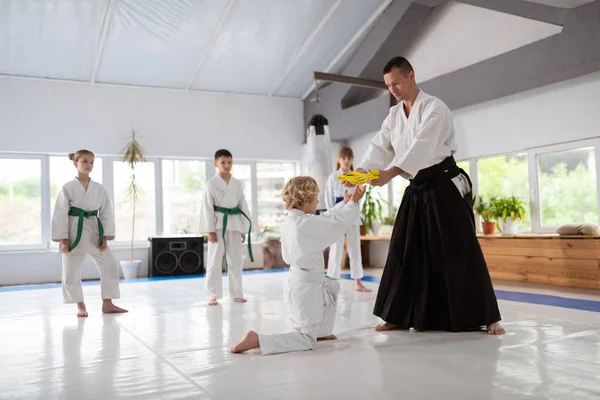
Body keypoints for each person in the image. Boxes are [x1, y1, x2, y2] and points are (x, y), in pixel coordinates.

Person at [345, 57, 504, 335]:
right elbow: (379, 147)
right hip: (417, 186)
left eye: (396, 82)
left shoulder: (435, 108)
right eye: (388, 85)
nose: (392, 89)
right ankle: (397, 315)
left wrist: (390, 174)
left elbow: (423, 147)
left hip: (444, 183)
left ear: (411, 76)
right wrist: (359, 174)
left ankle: (488, 316)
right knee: (404, 249)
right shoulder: (394, 116)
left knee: (459, 248)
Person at [230, 176, 366, 355]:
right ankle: (258, 340)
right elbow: (334, 224)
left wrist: (344, 204)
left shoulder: (294, 220)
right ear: (306, 198)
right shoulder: (305, 225)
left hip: (300, 284)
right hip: (306, 289)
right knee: (305, 339)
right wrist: (352, 204)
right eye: (316, 197)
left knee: (324, 306)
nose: (318, 201)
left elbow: (325, 219)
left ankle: (322, 332)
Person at [51, 149, 128, 317]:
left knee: (109, 264)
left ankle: (107, 303)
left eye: (91, 162)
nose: (89, 165)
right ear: (75, 163)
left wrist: (105, 236)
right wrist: (63, 239)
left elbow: (106, 212)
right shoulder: (68, 187)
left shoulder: (99, 188)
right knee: (71, 269)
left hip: (94, 230)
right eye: (84, 161)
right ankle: (80, 305)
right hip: (74, 231)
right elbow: (60, 213)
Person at [199, 149, 253, 306]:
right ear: (216, 164)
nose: (227, 165)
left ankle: (236, 293)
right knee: (214, 260)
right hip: (217, 225)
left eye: (229, 162)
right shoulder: (211, 183)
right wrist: (209, 230)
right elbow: (207, 207)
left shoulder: (237, 184)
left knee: (235, 260)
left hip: (235, 223)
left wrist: (243, 228)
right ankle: (212, 294)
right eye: (223, 162)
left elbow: (242, 204)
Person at [324, 147, 371, 292]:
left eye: (349, 158)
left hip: (353, 214)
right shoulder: (333, 177)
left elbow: (359, 196)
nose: (346, 161)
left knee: (355, 248)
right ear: (339, 160)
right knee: (336, 248)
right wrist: (332, 215)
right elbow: (328, 199)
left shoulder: (357, 176)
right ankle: (332, 280)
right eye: (344, 158)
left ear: (352, 160)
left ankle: (358, 281)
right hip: (338, 213)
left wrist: (355, 210)